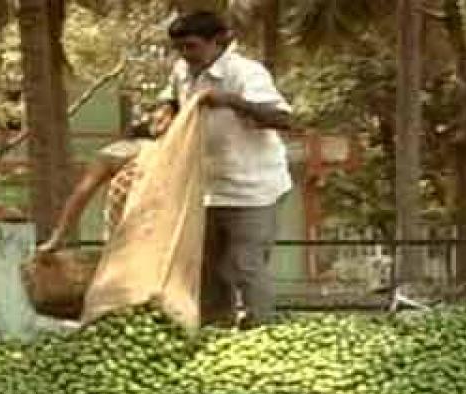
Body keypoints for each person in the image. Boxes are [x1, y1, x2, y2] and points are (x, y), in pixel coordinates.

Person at [161, 10, 293, 328]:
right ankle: (215, 331)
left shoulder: (247, 73)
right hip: (205, 189)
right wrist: (164, 113)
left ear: (220, 42)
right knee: (208, 269)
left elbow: (282, 118)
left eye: (192, 47)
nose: (185, 55)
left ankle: (262, 331)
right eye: (180, 49)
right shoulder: (182, 70)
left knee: (245, 264)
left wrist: (231, 101)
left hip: (252, 188)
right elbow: (172, 102)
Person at [38, 101, 176, 253]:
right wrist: (58, 237)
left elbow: (81, 194)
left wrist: (58, 237)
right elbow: (82, 193)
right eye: (154, 112)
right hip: (135, 240)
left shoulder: (178, 154)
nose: (156, 117)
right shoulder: (119, 153)